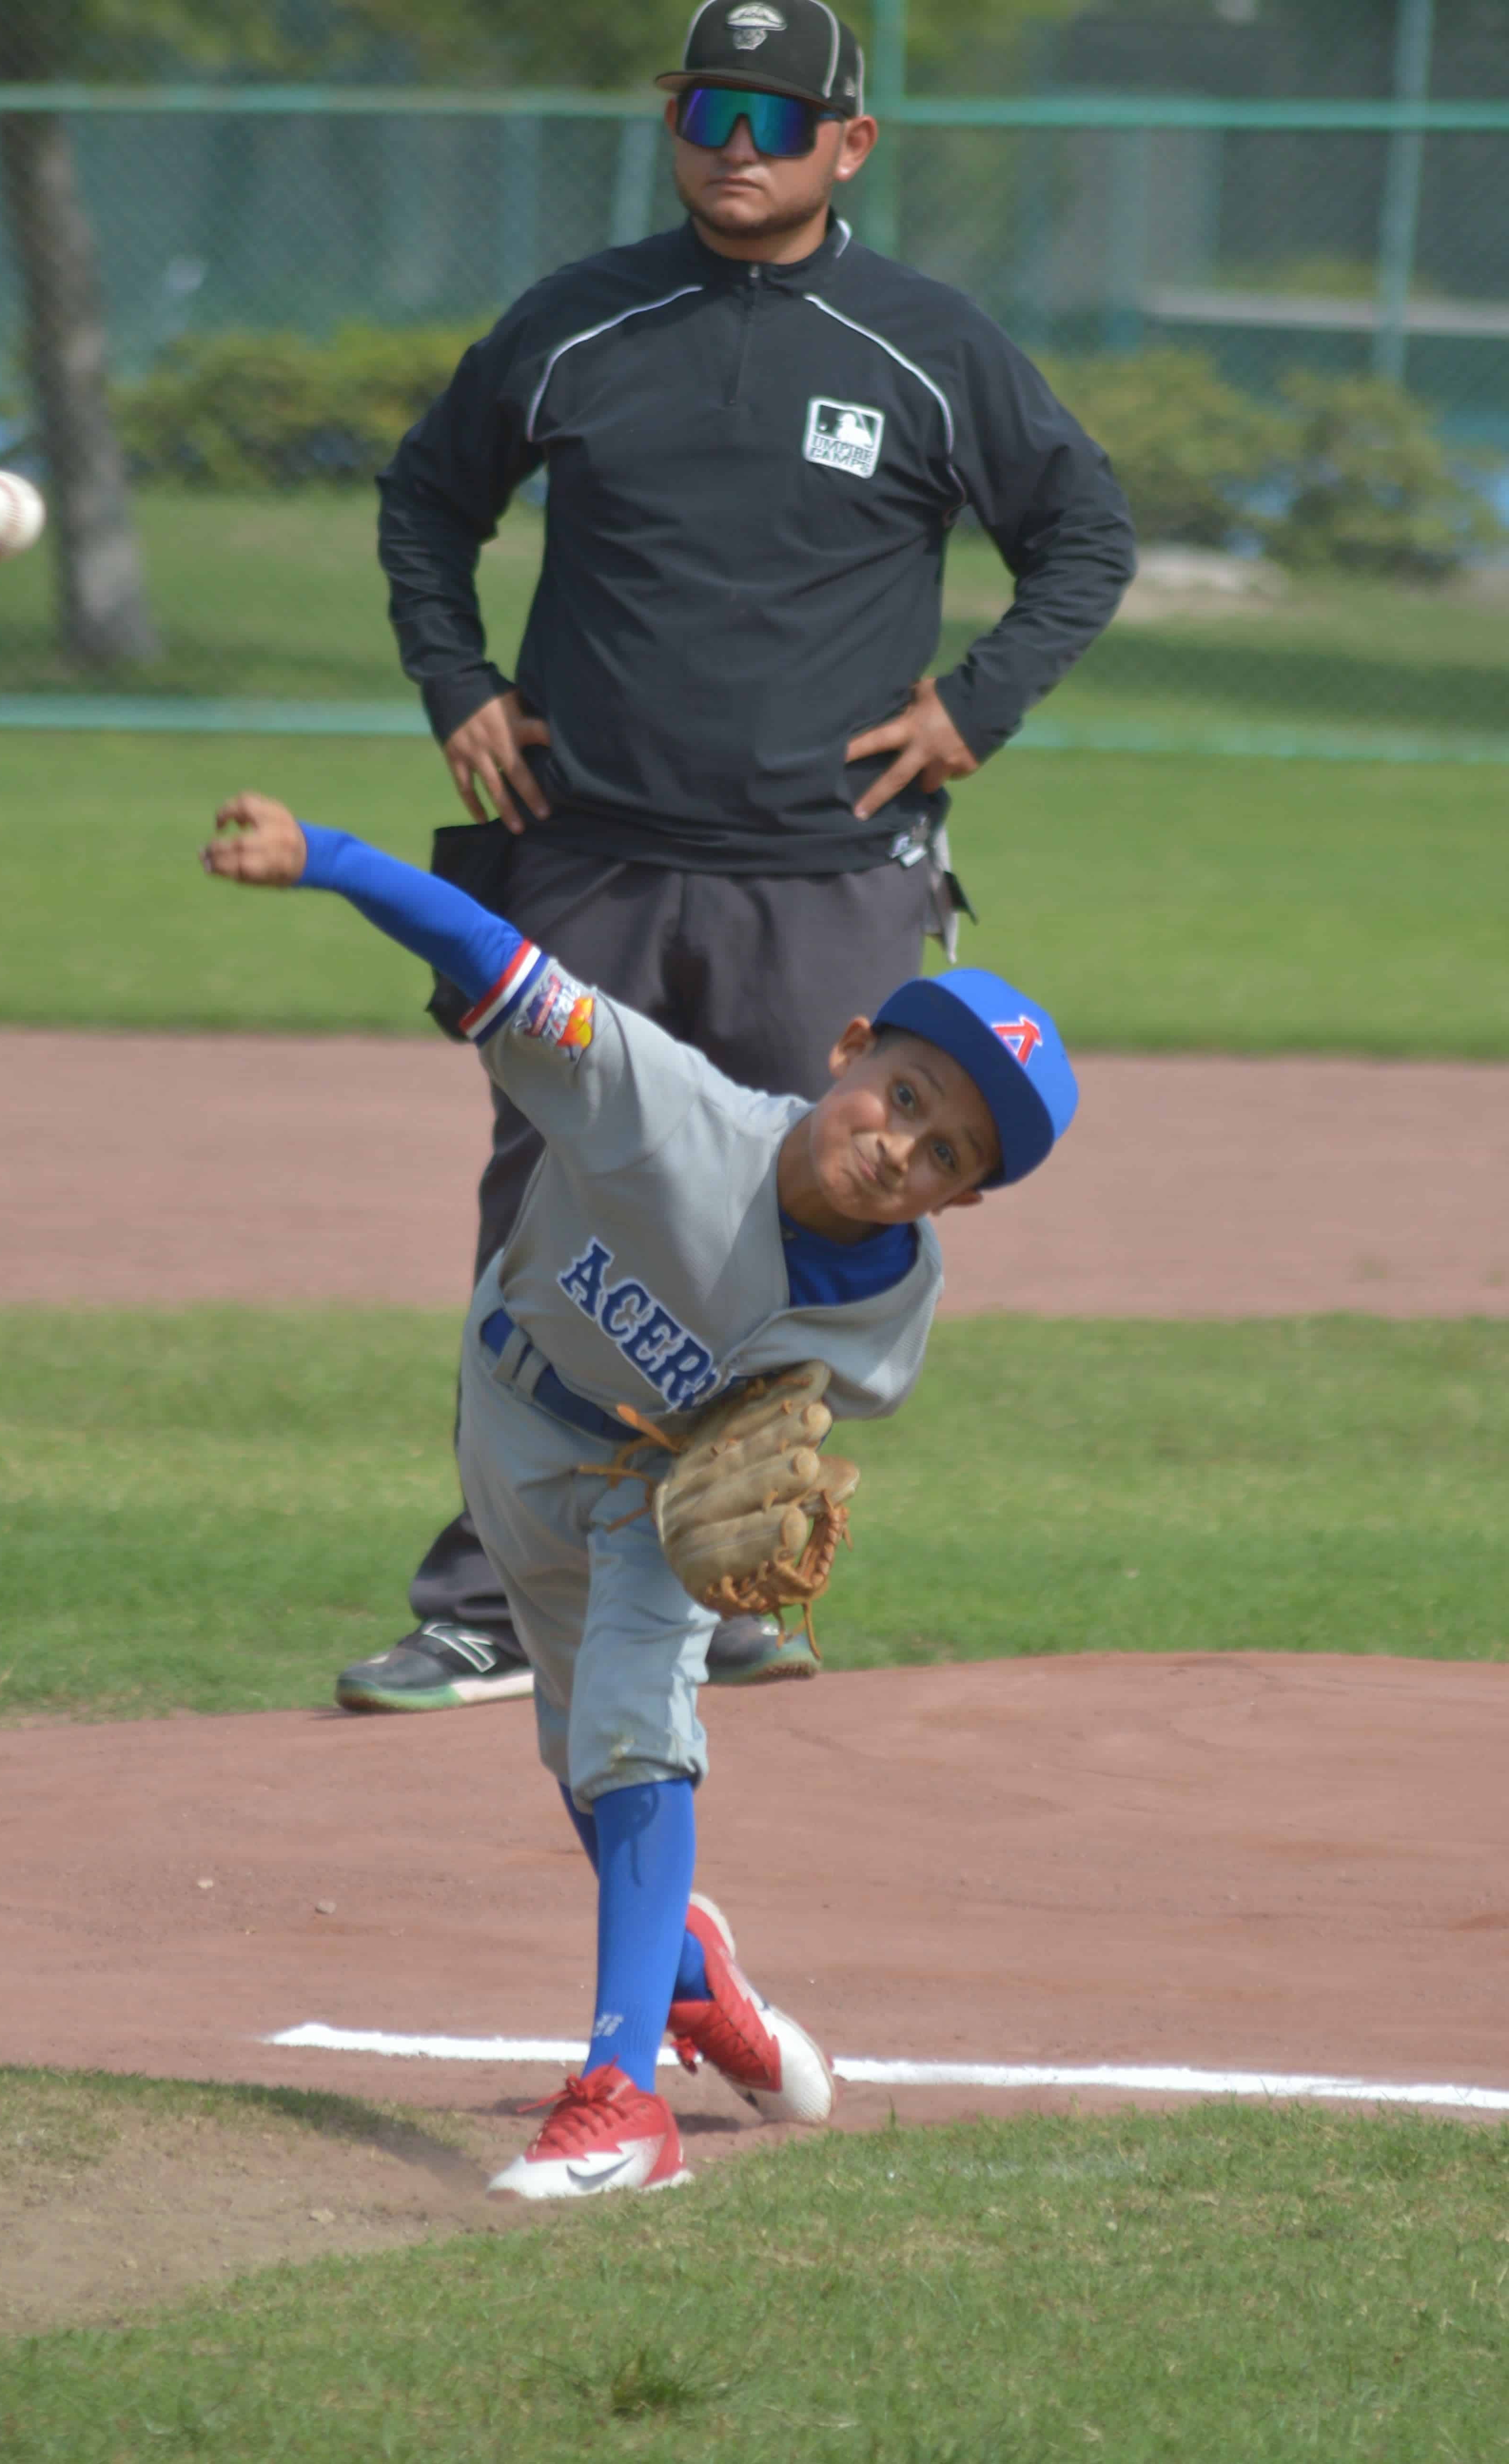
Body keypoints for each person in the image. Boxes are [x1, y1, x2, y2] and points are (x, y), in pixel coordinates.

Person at [341, 0, 1134, 1717]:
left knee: (811, 1223)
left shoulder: (926, 344)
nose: (739, 147)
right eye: (711, 109)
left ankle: (726, 1585)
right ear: (672, 121)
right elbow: (427, 498)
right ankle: (492, 1597)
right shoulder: (580, 321)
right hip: (592, 851)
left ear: (853, 144)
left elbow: (1084, 533)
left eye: (778, 120)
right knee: (546, 1215)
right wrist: (457, 679)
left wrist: (977, 706)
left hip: (822, 872)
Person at [203, 788, 1078, 2198]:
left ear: (961, 1200)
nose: (900, 1149)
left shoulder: (894, 1300)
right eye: (906, 1097)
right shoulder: (659, 1104)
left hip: (653, 1494)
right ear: (850, 1048)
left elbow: (798, 1411)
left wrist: (731, 1482)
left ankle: (623, 2104)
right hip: (511, 1414)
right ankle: (694, 1980)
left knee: (634, 1734)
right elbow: (495, 957)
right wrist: (327, 861)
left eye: (946, 1157)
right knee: (586, 1761)